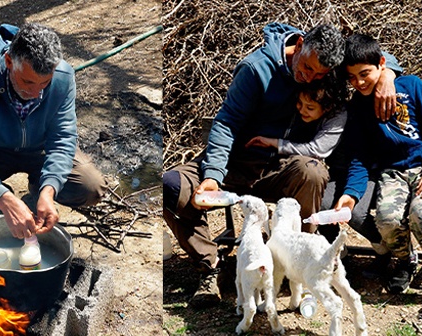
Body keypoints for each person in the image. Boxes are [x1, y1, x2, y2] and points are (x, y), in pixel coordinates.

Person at [163, 22, 399, 309]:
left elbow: (370, 56)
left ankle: (302, 261)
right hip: (236, 162)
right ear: (299, 45)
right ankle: (210, 266)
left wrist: (388, 74)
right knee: (172, 185)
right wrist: (213, 175)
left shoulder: (324, 61)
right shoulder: (256, 69)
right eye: (307, 69)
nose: (310, 77)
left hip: (283, 168)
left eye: (319, 75)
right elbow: (226, 123)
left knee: (312, 171)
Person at [0, 22, 107, 239]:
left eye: (44, 83)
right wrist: (2, 197)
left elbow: (63, 138)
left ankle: (38, 189)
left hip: (40, 151)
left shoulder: (63, 76)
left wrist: (50, 189)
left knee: (91, 186)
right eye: (27, 82)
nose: (36, 93)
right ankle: (1, 193)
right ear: (9, 61)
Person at [334, 33, 422, 314]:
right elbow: (359, 157)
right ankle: (404, 260)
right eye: (352, 77)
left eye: (365, 74)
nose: (359, 82)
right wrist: (351, 195)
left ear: (382, 64)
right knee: (386, 219)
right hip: (394, 173)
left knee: (421, 212)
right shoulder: (357, 108)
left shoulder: (412, 86)